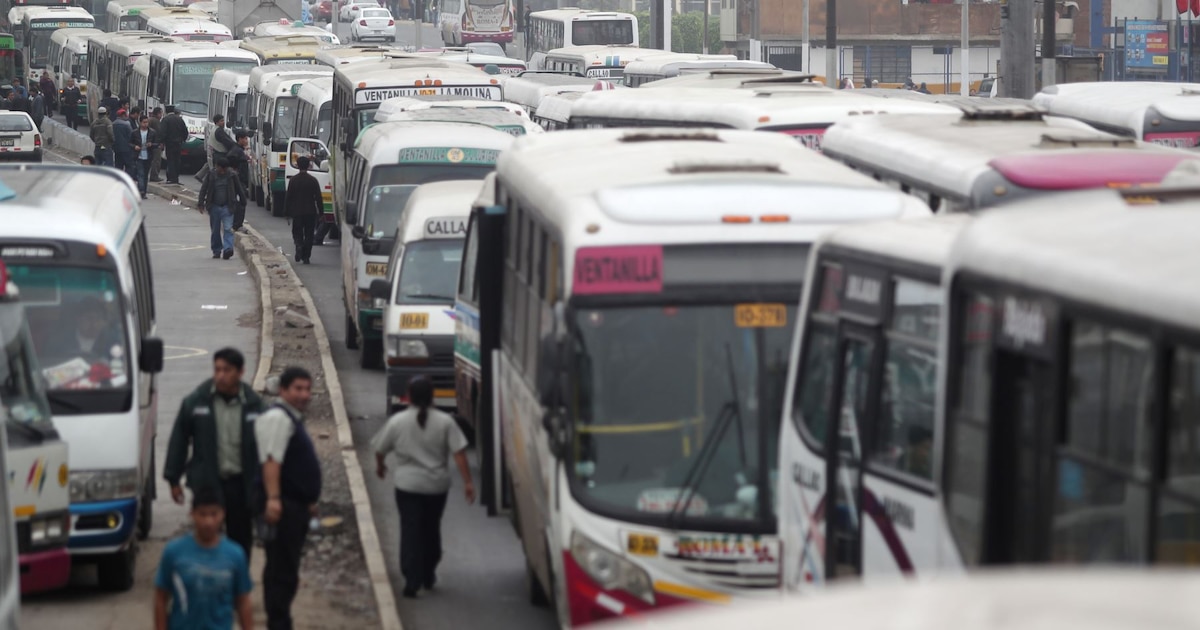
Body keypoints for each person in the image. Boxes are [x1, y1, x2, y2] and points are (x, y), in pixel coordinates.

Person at [372, 376, 473, 598]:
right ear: (432, 395)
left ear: (408, 395)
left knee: (410, 530)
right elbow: (459, 454)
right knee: (430, 528)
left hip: (407, 486)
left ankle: (411, 579)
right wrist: (467, 482)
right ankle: (428, 573)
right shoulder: (446, 422)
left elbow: (380, 449)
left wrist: (380, 467)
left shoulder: (398, 422)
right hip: (436, 488)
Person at [163, 348, 264, 562]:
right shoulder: (197, 401)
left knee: (240, 539)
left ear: (240, 372)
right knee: (206, 537)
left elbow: (267, 449)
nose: (220, 375)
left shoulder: (254, 404)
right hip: (208, 483)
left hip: (240, 485)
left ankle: (237, 584)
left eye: (227, 370)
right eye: (217, 369)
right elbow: (179, 439)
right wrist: (173, 478)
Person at [255, 367, 322, 630]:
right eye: (298, 389)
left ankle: (281, 621)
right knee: (280, 573)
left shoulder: (292, 418)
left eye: (308, 389)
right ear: (283, 390)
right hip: (282, 508)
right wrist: (273, 499)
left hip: (295, 506)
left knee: (286, 570)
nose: (304, 395)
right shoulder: (278, 418)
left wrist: (309, 502)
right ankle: (278, 623)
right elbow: (272, 461)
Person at [154, 486, 254, 630]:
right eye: (202, 514)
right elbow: (160, 598)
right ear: (192, 514)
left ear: (223, 514)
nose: (208, 522)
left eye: (214, 514)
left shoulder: (235, 555)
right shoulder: (174, 553)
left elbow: (243, 601)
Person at [199, 158, 247, 260]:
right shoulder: (211, 175)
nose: (223, 172)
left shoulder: (232, 175)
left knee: (228, 228)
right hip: (214, 206)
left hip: (228, 207)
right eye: (221, 169)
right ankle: (216, 250)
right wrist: (201, 203)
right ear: (217, 166)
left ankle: (228, 249)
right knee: (215, 230)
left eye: (225, 170)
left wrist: (243, 201)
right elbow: (204, 189)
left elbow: (239, 189)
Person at [284, 156, 323, 265]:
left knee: (297, 232)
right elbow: (318, 198)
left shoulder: (293, 180)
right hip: (310, 211)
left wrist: (286, 212)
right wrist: (321, 213)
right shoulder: (313, 180)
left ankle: (299, 245)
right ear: (309, 166)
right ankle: (306, 257)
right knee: (309, 234)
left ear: (297, 165)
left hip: (297, 212)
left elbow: (288, 197)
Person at [227, 130, 251, 232]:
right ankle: (237, 224)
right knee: (241, 202)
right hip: (238, 180)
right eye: (245, 139)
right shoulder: (236, 151)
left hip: (240, 180)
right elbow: (230, 159)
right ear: (240, 139)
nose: (247, 141)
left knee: (239, 201)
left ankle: (236, 223)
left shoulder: (239, 150)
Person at [161, 105, 188, 184]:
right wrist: (183, 139)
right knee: (177, 160)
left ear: (166, 111)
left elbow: (163, 132)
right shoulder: (180, 119)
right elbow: (185, 132)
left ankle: (171, 178)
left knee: (170, 160)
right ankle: (176, 178)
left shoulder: (165, 120)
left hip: (169, 144)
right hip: (178, 143)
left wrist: (161, 142)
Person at [133, 116, 157, 199]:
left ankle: (144, 192)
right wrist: (134, 146)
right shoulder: (135, 132)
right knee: (140, 174)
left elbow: (156, 143)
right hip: (138, 156)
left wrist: (151, 145)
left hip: (148, 156)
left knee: (145, 175)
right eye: (144, 122)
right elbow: (129, 143)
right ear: (140, 122)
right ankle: (141, 190)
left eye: (147, 122)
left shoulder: (152, 132)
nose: (145, 124)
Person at [113, 109, 135, 179]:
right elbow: (131, 136)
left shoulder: (113, 124)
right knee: (129, 166)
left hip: (117, 149)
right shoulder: (127, 124)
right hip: (127, 149)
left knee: (118, 166)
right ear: (123, 115)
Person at [148, 107, 164, 182]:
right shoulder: (156, 121)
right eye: (161, 113)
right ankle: (154, 176)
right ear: (157, 113)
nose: (161, 115)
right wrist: (160, 143)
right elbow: (159, 133)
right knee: (156, 160)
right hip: (156, 144)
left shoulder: (150, 119)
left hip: (150, 143)